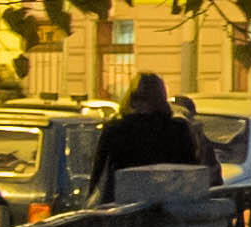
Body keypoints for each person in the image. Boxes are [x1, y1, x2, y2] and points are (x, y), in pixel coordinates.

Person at [88, 73, 208, 201]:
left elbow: (98, 172)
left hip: (125, 207)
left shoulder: (115, 129)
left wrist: (91, 198)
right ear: (162, 98)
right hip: (170, 204)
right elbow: (190, 167)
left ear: (131, 99)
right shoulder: (178, 128)